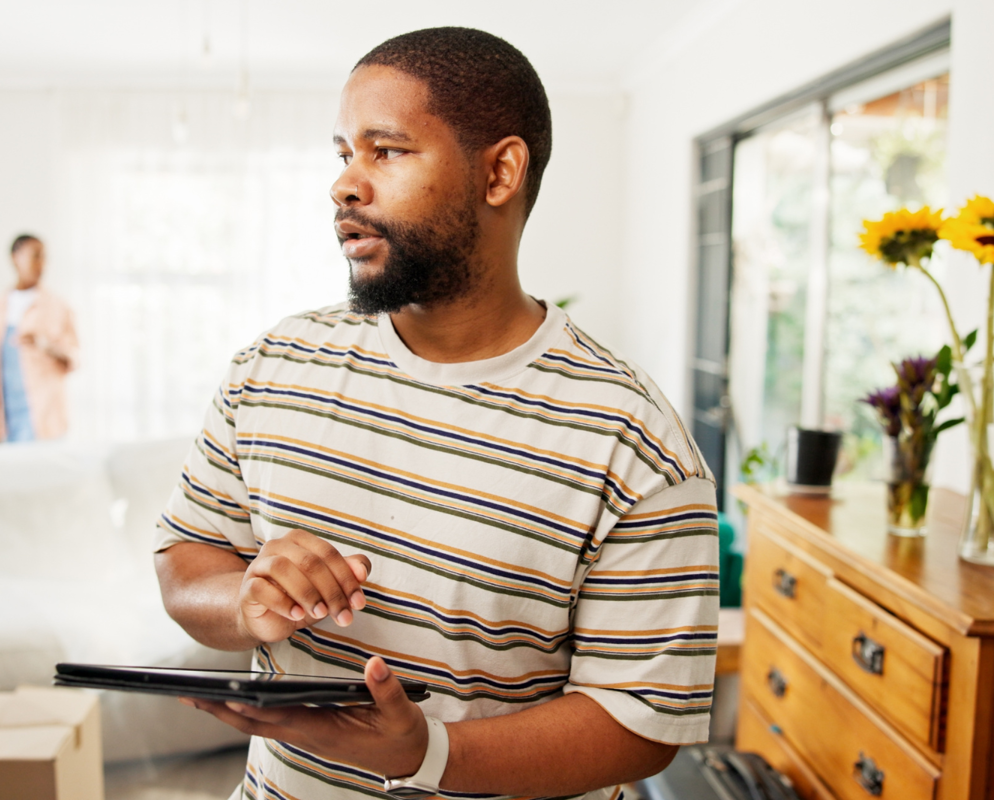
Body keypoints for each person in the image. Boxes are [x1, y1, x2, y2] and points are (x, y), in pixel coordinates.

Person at [155, 27, 718, 800]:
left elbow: (640, 725)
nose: (345, 185)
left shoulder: (634, 442)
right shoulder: (271, 368)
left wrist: (428, 753)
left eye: (385, 151)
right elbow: (186, 561)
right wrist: (245, 598)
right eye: (343, 154)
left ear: (499, 172)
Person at [0, 234, 78, 442]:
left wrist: (46, 346)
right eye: (35, 256)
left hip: (47, 421)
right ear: (15, 258)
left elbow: (74, 359)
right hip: (9, 421)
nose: (41, 264)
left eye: (44, 257)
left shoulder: (58, 307)